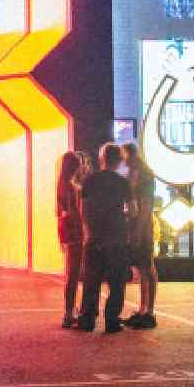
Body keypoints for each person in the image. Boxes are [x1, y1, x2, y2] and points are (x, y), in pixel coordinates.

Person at [75, 144, 133, 333]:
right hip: (117, 236)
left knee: (92, 280)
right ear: (119, 160)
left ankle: (87, 320)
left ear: (102, 159)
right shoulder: (123, 182)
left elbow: (84, 210)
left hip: (95, 236)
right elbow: (132, 210)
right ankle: (112, 321)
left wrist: (89, 232)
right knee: (116, 282)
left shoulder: (90, 181)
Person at [123, 142, 159, 328]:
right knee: (142, 269)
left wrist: (138, 231)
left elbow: (145, 207)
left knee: (147, 267)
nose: (123, 161)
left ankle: (149, 312)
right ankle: (143, 309)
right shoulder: (136, 173)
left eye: (125, 157)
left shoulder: (144, 174)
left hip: (142, 226)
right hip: (137, 224)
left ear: (131, 155)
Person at [56, 151, 88, 328]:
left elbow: (61, 211)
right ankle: (69, 312)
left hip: (66, 230)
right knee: (74, 274)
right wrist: (84, 230)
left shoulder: (61, 184)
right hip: (74, 231)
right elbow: (75, 212)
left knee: (72, 273)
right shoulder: (70, 186)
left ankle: (69, 311)